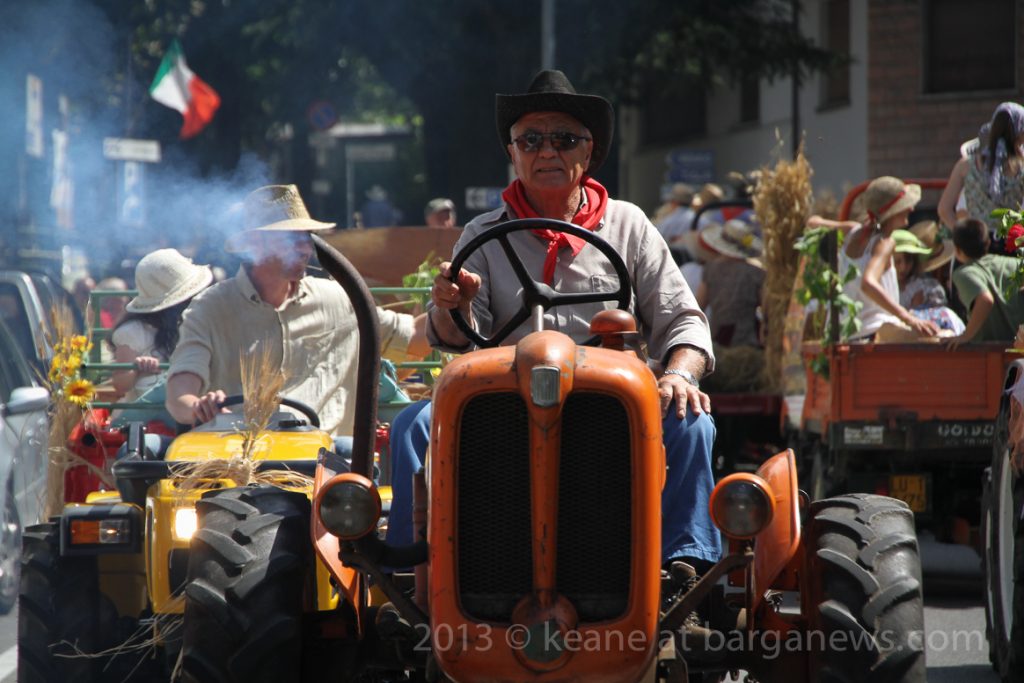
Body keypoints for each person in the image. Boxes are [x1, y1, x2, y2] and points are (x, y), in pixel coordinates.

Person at [388, 70, 720, 582]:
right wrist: (453, 304)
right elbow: (457, 337)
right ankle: (417, 580)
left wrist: (680, 374)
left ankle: (685, 569)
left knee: (690, 422)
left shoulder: (629, 225)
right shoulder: (481, 234)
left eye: (564, 139)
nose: (547, 152)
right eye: (531, 140)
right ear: (513, 152)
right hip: (506, 403)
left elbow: (684, 321)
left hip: (614, 403)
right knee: (413, 426)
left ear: (589, 152)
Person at [165, 184, 431, 438]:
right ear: (255, 245)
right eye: (291, 239)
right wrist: (200, 407)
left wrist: (454, 303)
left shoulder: (340, 298)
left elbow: (416, 337)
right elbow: (179, 396)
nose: (306, 248)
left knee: (346, 450)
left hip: (325, 464)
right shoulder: (210, 308)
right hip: (237, 459)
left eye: (306, 238)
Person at [839, 176, 941, 342]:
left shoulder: (851, 232)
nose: (912, 209)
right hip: (875, 330)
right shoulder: (885, 243)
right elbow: (868, 283)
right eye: (906, 206)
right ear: (893, 211)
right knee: (940, 339)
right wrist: (907, 317)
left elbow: (813, 222)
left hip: (847, 334)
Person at [109, 249, 213, 404]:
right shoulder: (133, 332)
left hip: (199, 413)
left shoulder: (205, 322)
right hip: (147, 421)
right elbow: (120, 385)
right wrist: (137, 368)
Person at [939, 102, 1024, 233]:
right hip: (1009, 245)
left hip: (976, 246)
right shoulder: (1021, 168)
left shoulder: (965, 165)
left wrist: (964, 237)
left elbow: (944, 209)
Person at [948, 217, 1024, 346]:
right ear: (988, 243)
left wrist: (966, 336)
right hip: (1018, 350)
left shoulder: (964, 273)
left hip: (986, 354)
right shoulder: (1014, 264)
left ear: (957, 250)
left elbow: (985, 300)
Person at [695, 219, 765, 347]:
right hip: (747, 342)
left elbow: (699, 306)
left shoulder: (710, 268)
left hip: (717, 339)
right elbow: (766, 311)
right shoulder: (756, 273)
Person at [891, 229, 964, 335]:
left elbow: (940, 314)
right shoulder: (884, 288)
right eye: (897, 262)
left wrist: (918, 310)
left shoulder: (925, 286)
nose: (903, 267)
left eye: (908, 261)